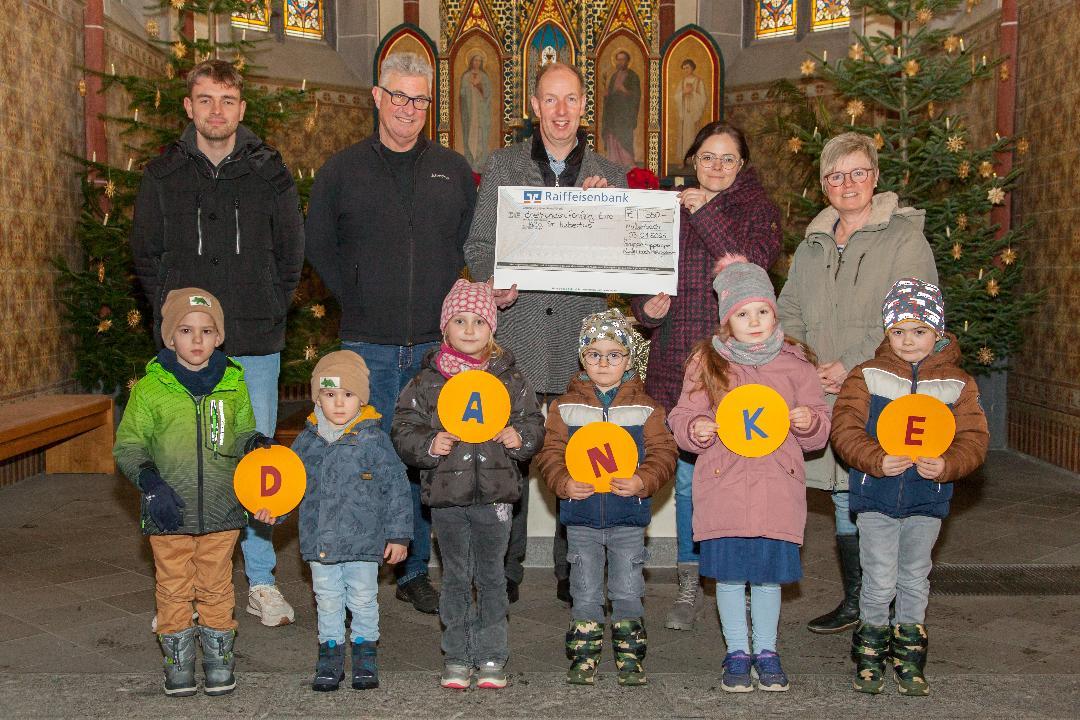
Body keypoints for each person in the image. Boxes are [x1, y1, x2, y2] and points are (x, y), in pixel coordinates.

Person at [130, 59, 304, 629]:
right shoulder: (162, 175)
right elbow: (147, 256)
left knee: (253, 464)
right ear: (189, 106)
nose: (216, 112)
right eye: (205, 100)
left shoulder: (269, 173)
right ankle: (182, 594)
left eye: (227, 101)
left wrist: (269, 306)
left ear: (241, 109)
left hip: (253, 339)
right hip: (186, 348)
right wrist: (177, 320)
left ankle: (259, 582)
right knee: (185, 460)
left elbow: (290, 255)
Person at [305, 52, 477, 615]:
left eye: (419, 99)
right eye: (398, 95)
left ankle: (413, 572)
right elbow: (319, 243)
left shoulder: (452, 168)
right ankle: (354, 565)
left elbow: (468, 244)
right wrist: (352, 294)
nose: (408, 107)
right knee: (362, 459)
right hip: (365, 343)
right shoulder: (342, 169)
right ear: (376, 97)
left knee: (428, 457)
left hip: (436, 345)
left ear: (431, 105)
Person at [464, 61, 627, 604]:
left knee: (579, 453)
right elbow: (479, 245)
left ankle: (573, 568)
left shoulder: (608, 173)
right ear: (533, 106)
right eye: (550, 100)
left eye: (571, 100)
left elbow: (626, 259)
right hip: (520, 334)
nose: (561, 111)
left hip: (582, 340)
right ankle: (505, 571)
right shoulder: (504, 166)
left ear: (585, 106)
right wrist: (494, 280)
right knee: (508, 457)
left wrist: (609, 211)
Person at [776, 131, 939, 635]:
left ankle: (885, 603)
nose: (847, 184)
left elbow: (910, 320)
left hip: (879, 386)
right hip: (821, 385)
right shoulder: (813, 244)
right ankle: (858, 600)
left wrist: (847, 362)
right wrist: (805, 363)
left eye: (857, 173)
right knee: (843, 493)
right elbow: (790, 311)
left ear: (874, 178)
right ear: (825, 185)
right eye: (835, 175)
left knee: (870, 489)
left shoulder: (904, 239)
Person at [631, 122, 781, 631]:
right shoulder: (666, 208)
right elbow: (643, 273)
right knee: (691, 482)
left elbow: (750, 266)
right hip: (678, 361)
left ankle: (735, 580)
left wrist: (705, 210)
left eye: (728, 159)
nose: (716, 167)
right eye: (707, 157)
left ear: (743, 166)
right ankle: (691, 581)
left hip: (739, 366)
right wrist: (646, 309)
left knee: (742, 479)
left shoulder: (757, 210)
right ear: (692, 158)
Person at [668, 262, 831, 693]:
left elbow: (820, 427)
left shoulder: (797, 365)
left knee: (766, 576)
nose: (754, 322)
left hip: (777, 488)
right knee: (728, 574)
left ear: (776, 315)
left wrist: (808, 420)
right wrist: (695, 428)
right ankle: (737, 652)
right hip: (725, 486)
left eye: (762, 311)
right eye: (743, 314)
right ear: (726, 320)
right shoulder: (708, 364)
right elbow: (683, 414)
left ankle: (768, 651)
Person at [114, 288, 275, 697]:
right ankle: (178, 661)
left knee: (217, 585)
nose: (197, 340)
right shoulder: (151, 389)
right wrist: (150, 482)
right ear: (170, 338)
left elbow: (239, 433)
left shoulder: (233, 383)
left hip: (223, 508)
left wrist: (253, 443)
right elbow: (129, 445)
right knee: (173, 586)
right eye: (186, 330)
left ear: (219, 336)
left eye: (207, 330)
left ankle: (219, 659)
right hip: (168, 509)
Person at [831, 278, 988, 696]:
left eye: (919, 330)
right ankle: (869, 655)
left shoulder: (957, 384)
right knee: (880, 578)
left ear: (938, 332)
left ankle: (910, 657)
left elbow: (974, 439)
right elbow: (844, 428)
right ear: (886, 333)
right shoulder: (867, 375)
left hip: (926, 498)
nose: (908, 340)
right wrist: (875, 459)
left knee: (916, 577)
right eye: (898, 331)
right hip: (876, 496)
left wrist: (949, 464)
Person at [391, 280, 545, 690]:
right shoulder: (426, 380)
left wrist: (520, 438)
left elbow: (533, 421)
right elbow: (403, 426)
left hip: (496, 496)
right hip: (447, 497)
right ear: (445, 327)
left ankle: (493, 655)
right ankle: (457, 656)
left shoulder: (509, 376)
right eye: (460, 320)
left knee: (492, 576)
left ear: (492, 328)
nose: (470, 329)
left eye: (479, 320)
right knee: (457, 577)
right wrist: (427, 443)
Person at [535, 309, 678, 687]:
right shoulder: (564, 407)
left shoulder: (647, 408)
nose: (603, 362)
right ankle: (584, 656)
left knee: (629, 588)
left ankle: (631, 657)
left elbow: (664, 454)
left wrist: (643, 481)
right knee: (584, 590)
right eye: (594, 353)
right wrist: (563, 482)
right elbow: (549, 453)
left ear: (629, 359)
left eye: (614, 354)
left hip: (627, 517)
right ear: (583, 358)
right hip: (580, 518)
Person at [277, 351, 413, 693]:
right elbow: (289, 486)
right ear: (317, 398)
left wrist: (398, 535)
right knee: (327, 597)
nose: (339, 404)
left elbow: (396, 488)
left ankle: (365, 651)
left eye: (348, 395)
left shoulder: (374, 440)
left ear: (361, 399)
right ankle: (331, 653)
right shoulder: (306, 441)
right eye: (330, 394)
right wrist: (274, 510)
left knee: (364, 597)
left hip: (365, 542)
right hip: (321, 541)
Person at [601, 50, 641, 167]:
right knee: (612, 136)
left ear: (627, 61)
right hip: (613, 114)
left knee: (624, 137)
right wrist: (607, 95)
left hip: (625, 115)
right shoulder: (614, 76)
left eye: (623, 59)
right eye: (618, 59)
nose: (620, 62)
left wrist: (624, 90)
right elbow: (612, 96)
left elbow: (636, 96)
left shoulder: (633, 76)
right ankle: (614, 162)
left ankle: (627, 162)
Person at [459, 53, 493, 170]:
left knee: (481, 135)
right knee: (470, 135)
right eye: (475, 60)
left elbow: (488, 94)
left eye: (479, 61)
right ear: (471, 62)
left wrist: (479, 87)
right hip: (470, 113)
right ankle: (470, 162)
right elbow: (462, 95)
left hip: (481, 113)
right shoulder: (466, 76)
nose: (477, 63)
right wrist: (469, 87)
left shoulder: (484, 77)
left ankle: (480, 162)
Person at [675, 59, 708, 164]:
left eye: (687, 67)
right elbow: (676, 97)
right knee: (684, 136)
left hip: (694, 114)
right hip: (684, 114)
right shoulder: (682, 82)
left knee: (694, 135)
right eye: (684, 68)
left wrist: (693, 93)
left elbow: (703, 99)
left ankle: (694, 160)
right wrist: (683, 93)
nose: (686, 70)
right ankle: (684, 159)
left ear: (692, 68)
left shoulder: (698, 81)